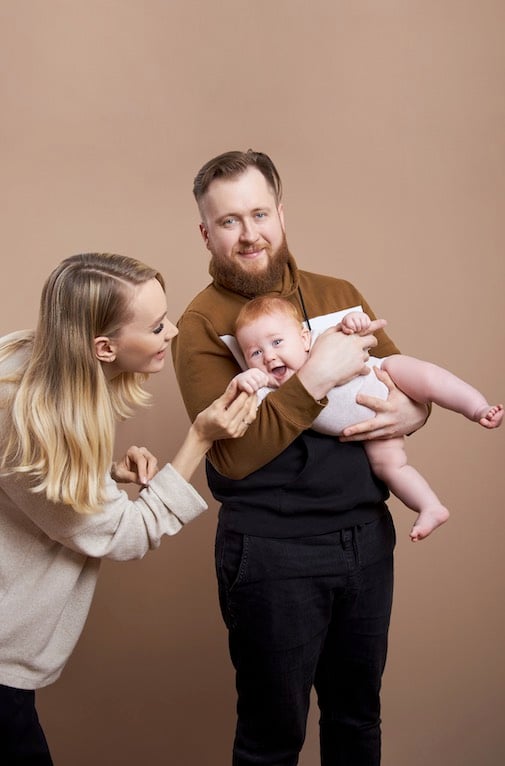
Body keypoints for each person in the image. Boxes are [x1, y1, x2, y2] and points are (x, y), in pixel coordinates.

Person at [171, 149, 430, 766]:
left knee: (357, 720)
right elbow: (231, 459)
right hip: (272, 553)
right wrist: (313, 378)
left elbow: (399, 386)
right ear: (206, 233)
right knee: (271, 737)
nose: (249, 232)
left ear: (281, 214)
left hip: (367, 538)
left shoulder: (337, 293)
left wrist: (416, 415)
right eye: (229, 220)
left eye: (260, 213)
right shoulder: (201, 324)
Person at [0, 252, 257, 764]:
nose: (172, 333)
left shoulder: (38, 370)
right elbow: (127, 534)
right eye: (157, 326)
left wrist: (102, 475)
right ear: (103, 346)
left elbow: (36, 492)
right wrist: (200, 438)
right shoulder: (35, 424)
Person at [232, 296, 503, 542]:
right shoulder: (268, 386)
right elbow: (247, 404)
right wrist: (246, 379)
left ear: (303, 339)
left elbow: (345, 331)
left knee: (429, 379)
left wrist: (353, 322)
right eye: (255, 353)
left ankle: (477, 407)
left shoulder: (319, 343)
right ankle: (430, 506)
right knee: (390, 467)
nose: (269, 355)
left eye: (277, 342)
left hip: (385, 375)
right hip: (371, 432)